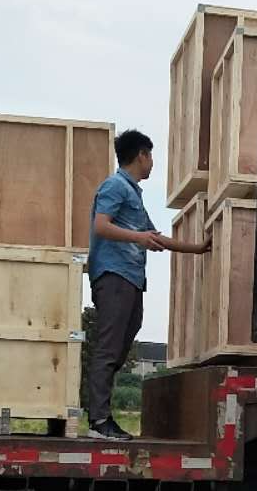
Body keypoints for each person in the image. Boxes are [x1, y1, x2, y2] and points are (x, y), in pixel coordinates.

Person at [85, 129, 209, 441]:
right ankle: (99, 421)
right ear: (141, 155)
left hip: (130, 278)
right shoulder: (115, 186)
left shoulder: (133, 195)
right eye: (150, 156)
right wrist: (138, 238)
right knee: (110, 346)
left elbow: (156, 238)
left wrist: (198, 248)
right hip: (114, 274)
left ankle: (101, 414)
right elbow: (101, 226)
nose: (152, 162)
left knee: (125, 338)